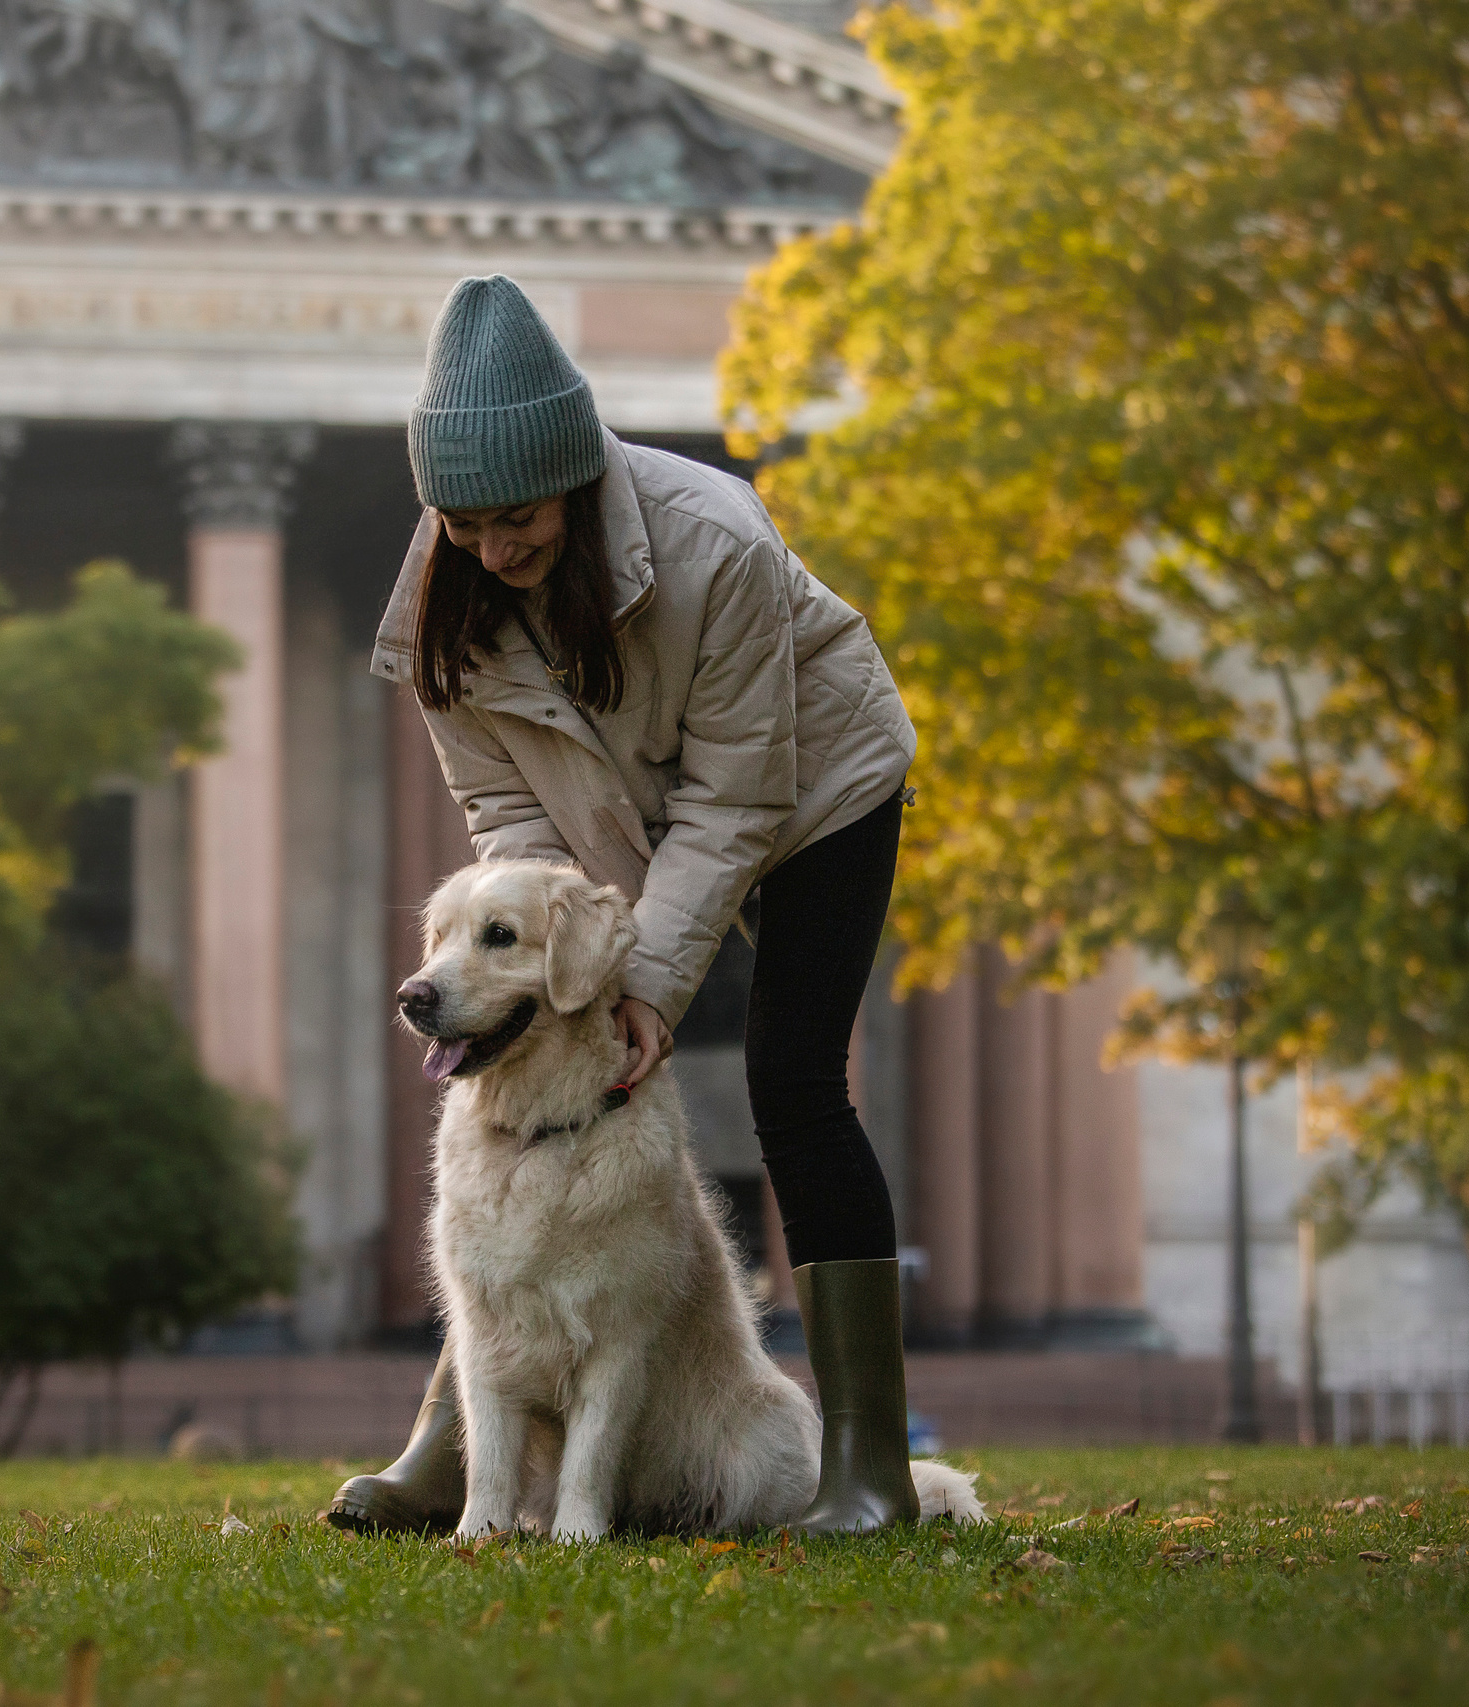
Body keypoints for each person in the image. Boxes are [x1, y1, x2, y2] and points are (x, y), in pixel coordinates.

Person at [331, 275, 923, 1537]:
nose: (495, 548)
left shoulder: (715, 539)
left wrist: (643, 982)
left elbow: (736, 797)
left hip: (813, 791)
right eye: (465, 521)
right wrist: (561, 970)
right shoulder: (446, 601)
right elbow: (511, 830)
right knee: (525, 1088)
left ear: (580, 480)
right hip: (626, 819)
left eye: (521, 516)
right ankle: (450, 1452)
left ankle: (869, 1469)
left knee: (796, 1084)